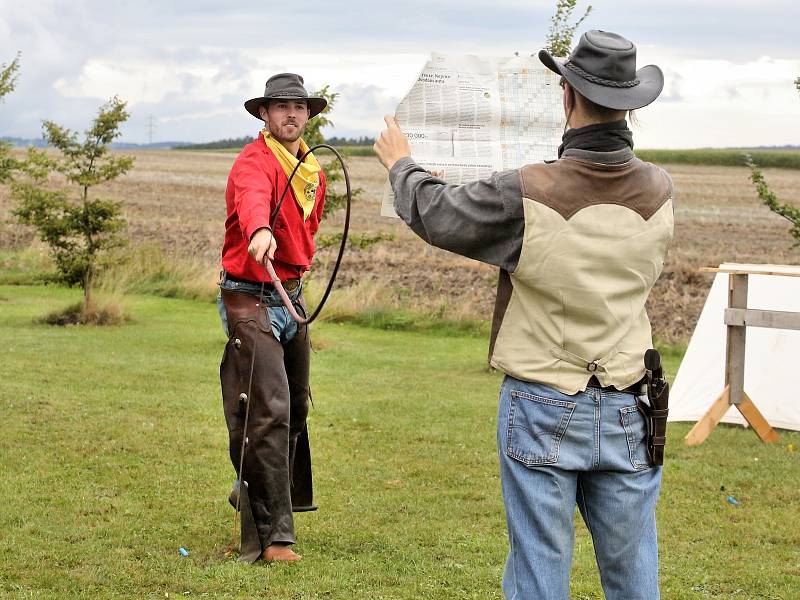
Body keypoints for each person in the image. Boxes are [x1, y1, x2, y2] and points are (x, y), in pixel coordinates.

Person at [374, 31, 673, 599]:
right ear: (631, 104)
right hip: (631, 399)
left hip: (540, 397)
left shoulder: (527, 190)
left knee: (538, 569)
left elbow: (438, 214)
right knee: (634, 573)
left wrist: (402, 165)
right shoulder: (662, 190)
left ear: (566, 97)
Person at [218, 73, 327, 563]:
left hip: (291, 298)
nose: (290, 114)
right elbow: (252, 199)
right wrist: (259, 230)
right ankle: (274, 537)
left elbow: (306, 231)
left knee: (296, 409)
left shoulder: (311, 171)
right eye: (281, 106)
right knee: (269, 410)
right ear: (264, 113)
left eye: (299, 107)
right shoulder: (253, 162)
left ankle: (257, 491)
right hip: (247, 296)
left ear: (308, 114)